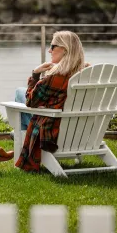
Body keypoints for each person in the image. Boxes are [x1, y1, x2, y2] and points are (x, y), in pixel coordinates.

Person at [15, 31, 85, 172]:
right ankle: (22, 132)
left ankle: (21, 134)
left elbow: (30, 101)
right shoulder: (85, 73)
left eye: (52, 46)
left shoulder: (54, 78)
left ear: (64, 49)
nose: (49, 50)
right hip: (80, 131)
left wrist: (35, 74)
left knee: (19, 93)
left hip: (52, 131)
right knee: (21, 92)